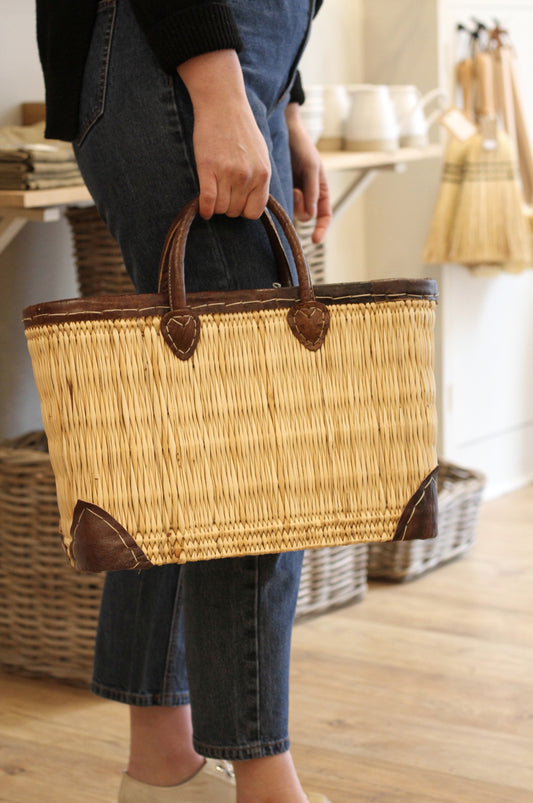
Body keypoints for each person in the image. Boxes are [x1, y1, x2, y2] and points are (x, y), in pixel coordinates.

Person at [36, 1, 332, 800]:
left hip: (225, 61)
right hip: (179, 47)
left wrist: (285, 107)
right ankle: (266, 785)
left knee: (188, 430)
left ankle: (164, 767)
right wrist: (217, 87)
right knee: (254, 428)